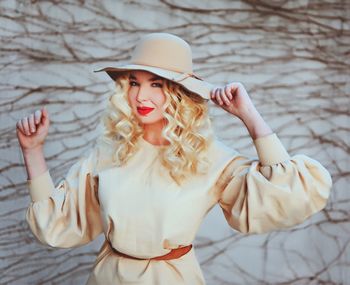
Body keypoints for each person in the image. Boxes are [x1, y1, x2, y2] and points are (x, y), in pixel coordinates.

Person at [17, 33, 333, 285]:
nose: (141, 96)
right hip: (107, 277)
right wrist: (32, 151)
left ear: (180, 91)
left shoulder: (211, 158)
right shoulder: (109, 152)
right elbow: (53, 225)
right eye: (134, 83)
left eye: (156, 84)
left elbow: (292, 195)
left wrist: (249, 116)